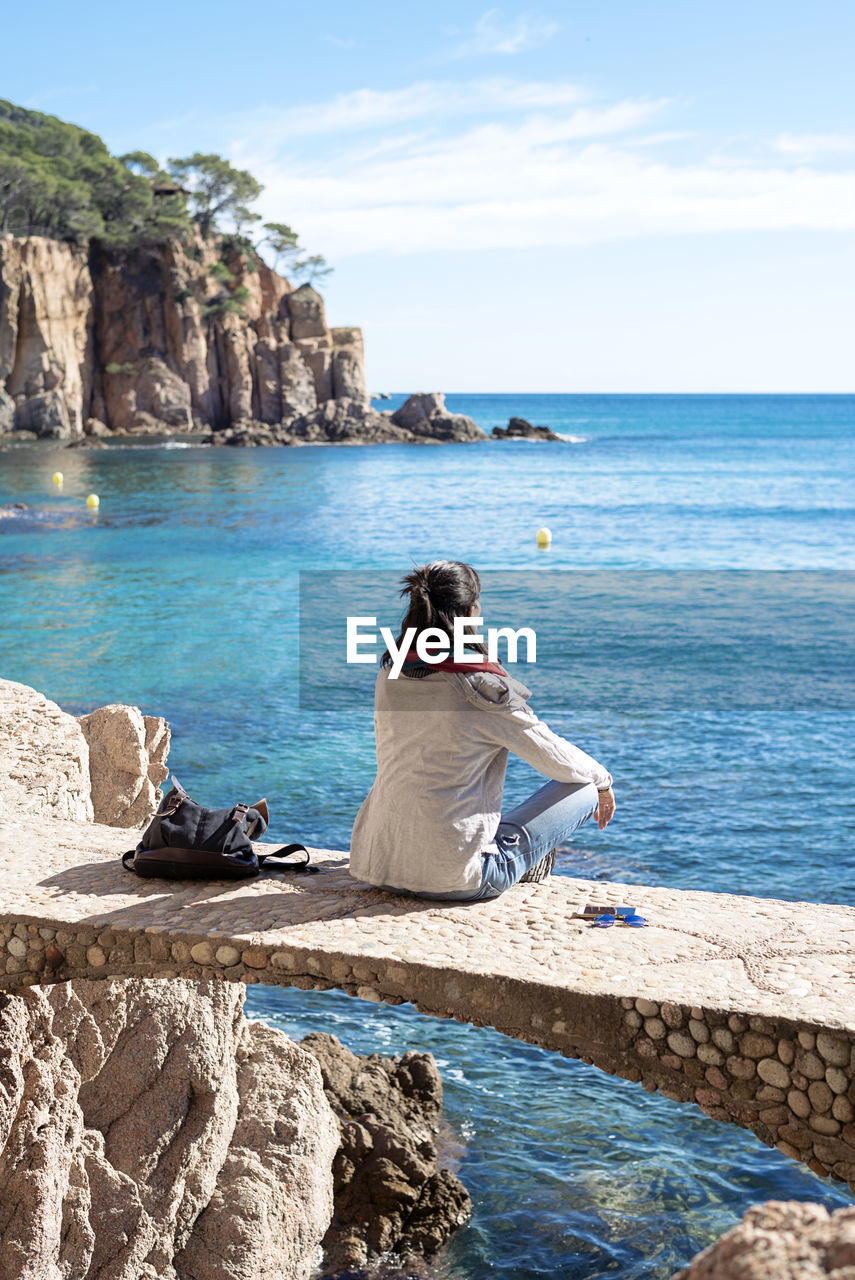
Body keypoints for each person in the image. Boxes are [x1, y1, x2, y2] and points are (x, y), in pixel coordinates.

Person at [349, 560, 616, 901]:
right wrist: (604, 784)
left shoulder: (391, 674)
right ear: (471, 611)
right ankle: (522, 864)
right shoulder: (481, 689)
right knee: (585, 787)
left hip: (379, 865)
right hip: (455, 879)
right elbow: (557, 759)